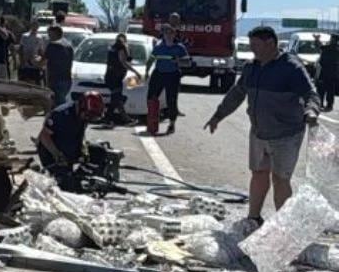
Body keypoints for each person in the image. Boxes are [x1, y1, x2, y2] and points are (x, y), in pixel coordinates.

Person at [205, 26, 320, 229]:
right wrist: (218, 116)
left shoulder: (291, 67)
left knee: (280, 178)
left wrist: (311, 111)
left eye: (256, 46)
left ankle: (284, 226)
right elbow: (237, 93)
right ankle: (254, 218)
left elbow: (311, 94)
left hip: (286, 135)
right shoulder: (252, 68)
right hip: (259, 132)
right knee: (258, 173)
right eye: (251, 46)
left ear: (271, 43)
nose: (253, 50)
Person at [37, 91, 106, 192]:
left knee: (99, 151)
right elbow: (44, 136)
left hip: (71, 148)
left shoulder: (82, 115)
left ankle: (83, 175)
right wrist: (57, 155)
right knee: (68, 185)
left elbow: (81, 135)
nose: (89, 119)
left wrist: (84, 150)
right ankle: (68, 178)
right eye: (89, 116)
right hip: (53, 153)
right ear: (81, 107)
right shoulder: (61, 115)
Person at [145, 24, 189, 134]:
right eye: (166, 33)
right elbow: (150, 60)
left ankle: (172, 124)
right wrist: (146, 72)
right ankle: (152, 119)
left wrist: (178, 61)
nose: (169, 35)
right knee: (151, 97)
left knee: (171, 100)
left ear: (174, 35)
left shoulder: (179, 48)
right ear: (163, 35)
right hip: (159, 73)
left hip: (172, 75)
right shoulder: (159, 47)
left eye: (171, 33)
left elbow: (188, 62)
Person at [103, 34, 142, 125]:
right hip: (115, 77)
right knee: (116, 98)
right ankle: (121, 119)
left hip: (110, 76)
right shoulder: (120, 48)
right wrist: (136, 72)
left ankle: (114, 118)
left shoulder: (112, 47)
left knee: (116, 98)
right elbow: (124, 62)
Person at [42, 25, 75, 106]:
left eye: (50, 34)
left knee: (55, 105)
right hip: (67, 80)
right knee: (62, 104)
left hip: (55, 80)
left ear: (55, 34)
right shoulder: (69, 46)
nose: (49, 36)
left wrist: (32, 60)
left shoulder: (52, 45)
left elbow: (42, 62)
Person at [318, 34, 339, 112]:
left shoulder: (330, 47)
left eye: (332, 39)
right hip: (332, 72)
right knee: (329, 89)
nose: (330, 40)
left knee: (323, 89)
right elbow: (321, 47)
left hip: (327, 71)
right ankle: (328, 104)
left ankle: (325, 104)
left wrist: (317, 40)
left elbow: (321, 47)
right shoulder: (333, 47)